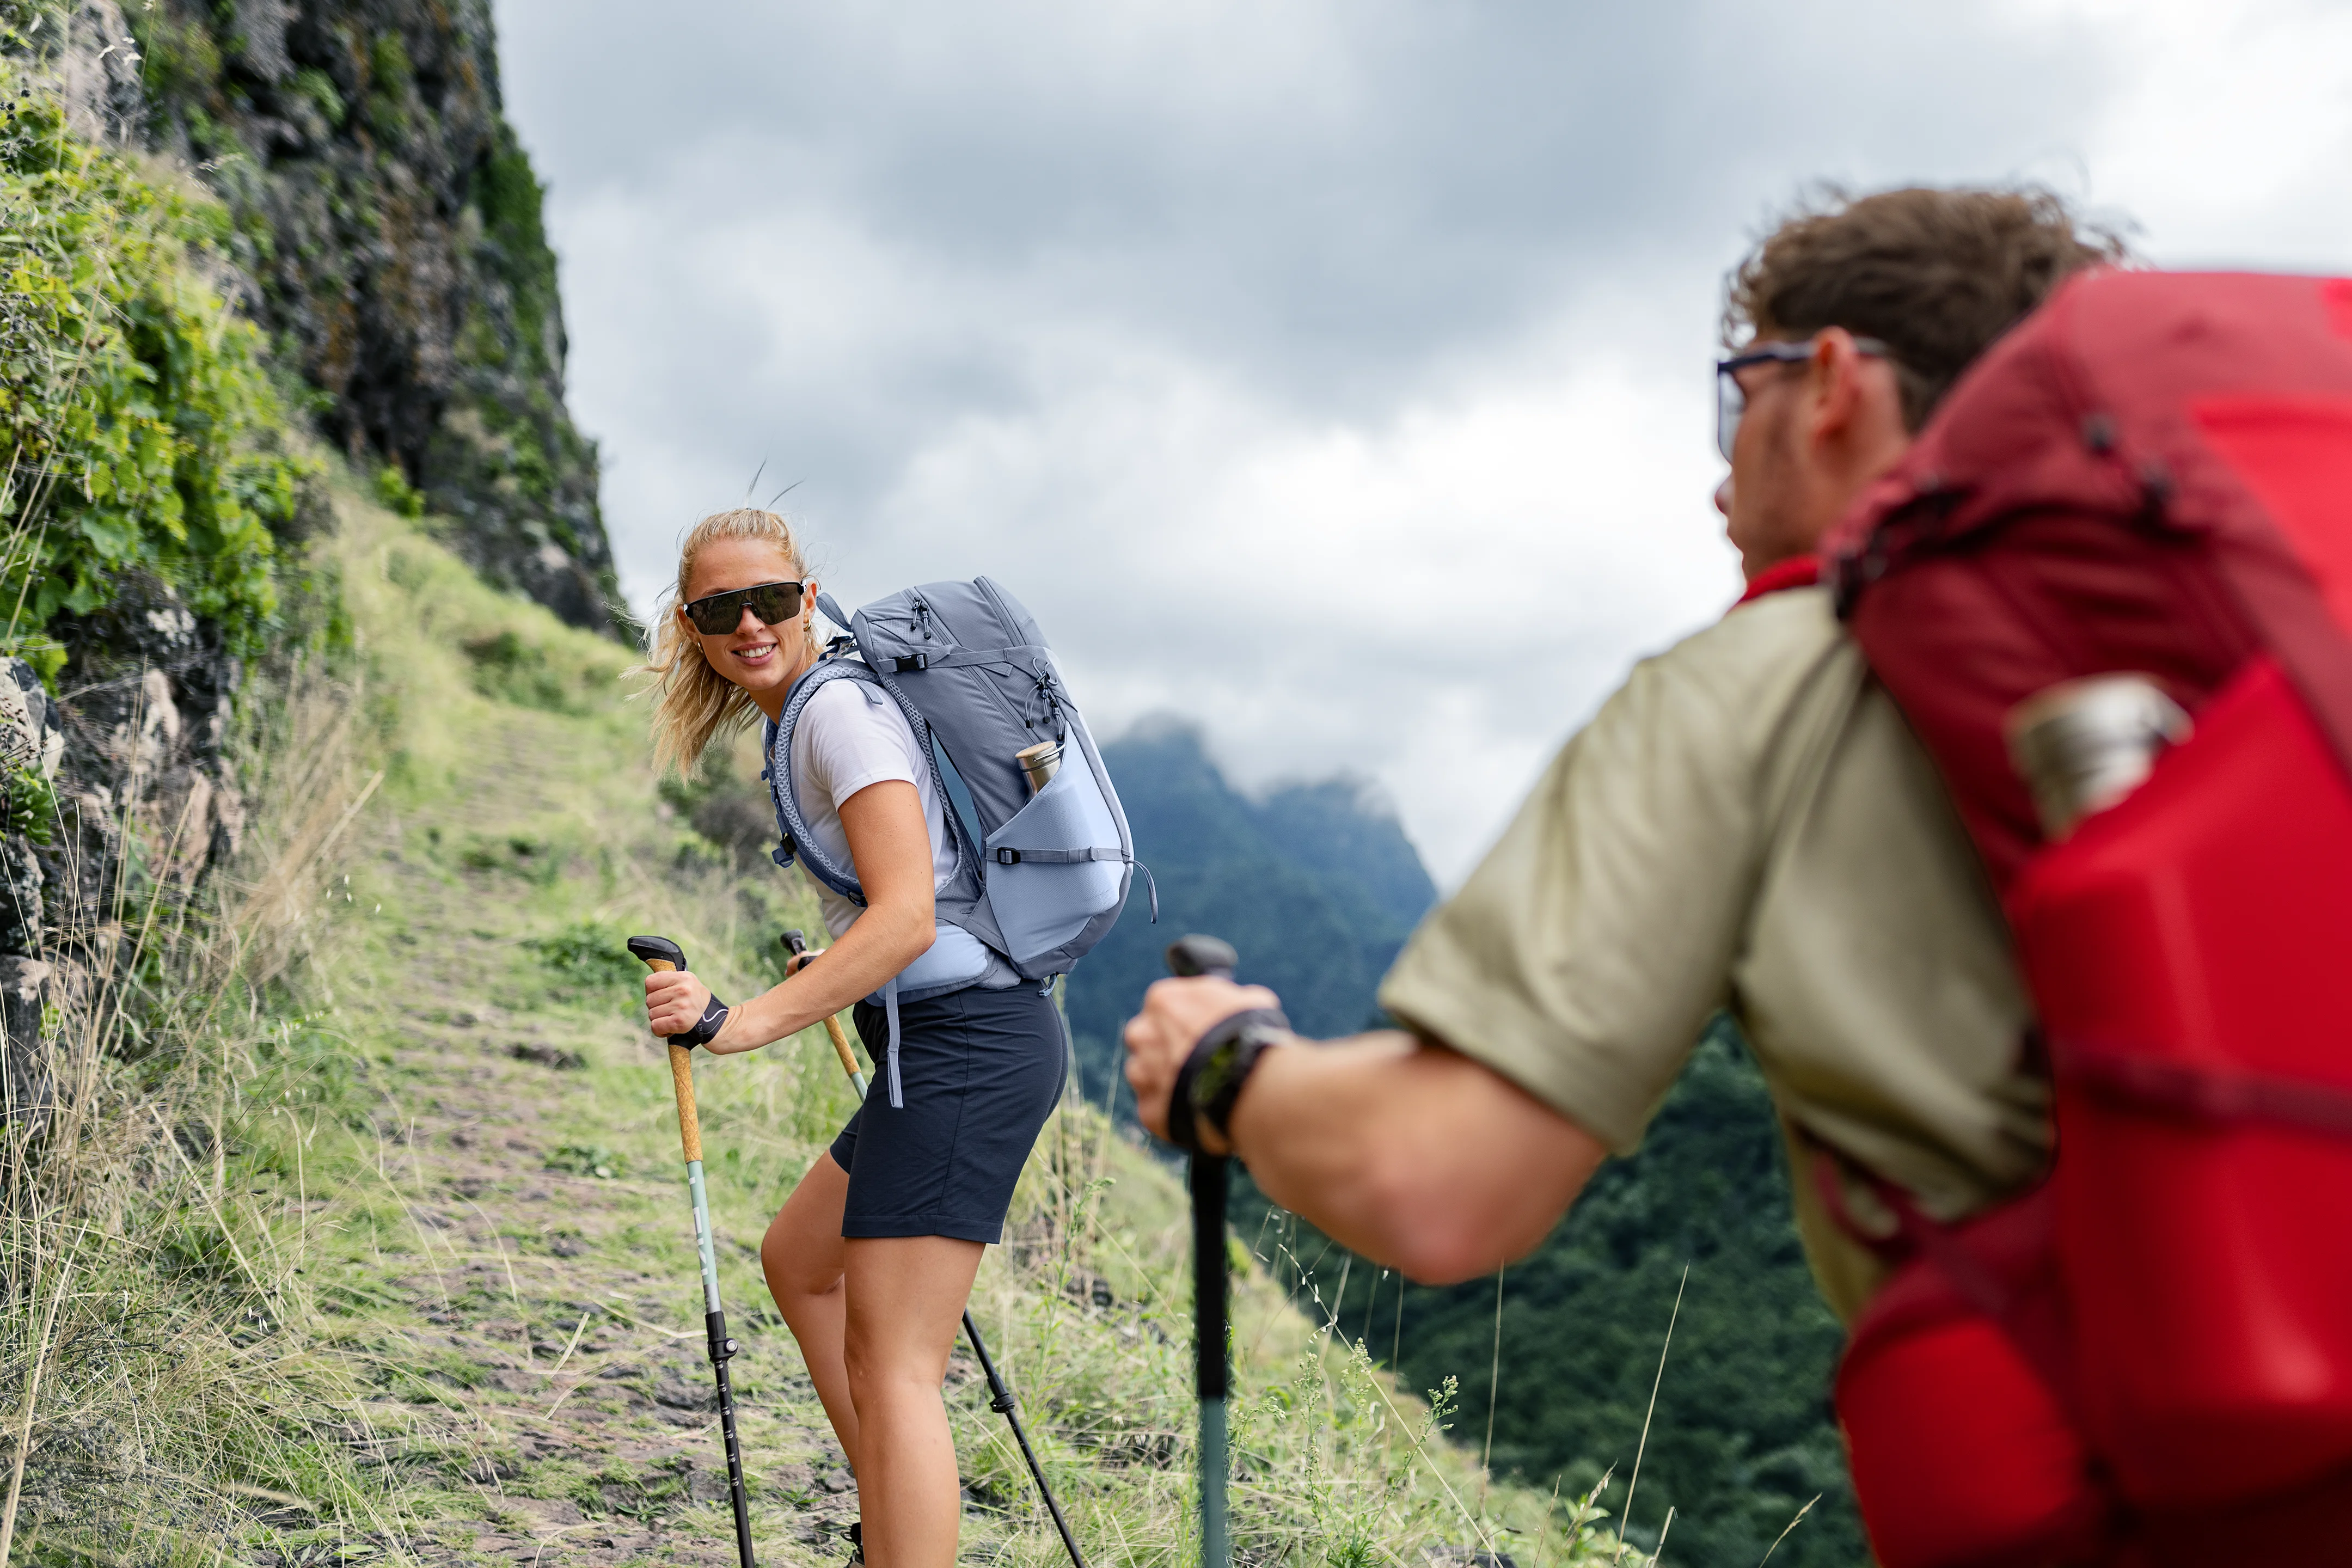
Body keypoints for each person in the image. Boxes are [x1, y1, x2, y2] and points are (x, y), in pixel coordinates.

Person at [1122, 187, 2124, 1323]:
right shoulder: (2248, 660)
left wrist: (1226, 1066)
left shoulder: (1771, 680)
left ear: (1834, 385)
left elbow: (1438, 1178)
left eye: (1741, 398)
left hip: (2152, 1463)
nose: (1721, 475)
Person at [639, 509, 1067, 1568]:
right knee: (801, 1263)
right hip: (938, 1042)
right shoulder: (807, 716)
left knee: (896, 1363)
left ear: (809, 599)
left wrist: (738, 1025)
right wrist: (838, 985)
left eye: (770, 600)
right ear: (689, 626)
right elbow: (894, 917)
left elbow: (908, 914)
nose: (749, 623)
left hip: (971, 1047)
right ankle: (892, 1523)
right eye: (719, 608)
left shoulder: (835, 715)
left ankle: (899, 1542)